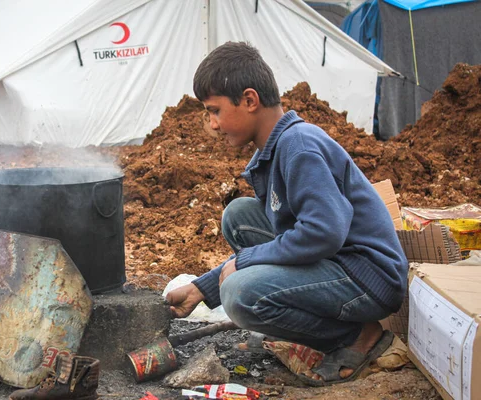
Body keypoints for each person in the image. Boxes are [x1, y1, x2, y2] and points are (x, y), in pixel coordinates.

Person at [165, 42, 408, 386]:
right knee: (239, 216)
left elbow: (323, 233)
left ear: (249, 100)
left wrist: (244, 264)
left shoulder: (299, 146)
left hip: (367, 278)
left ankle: (354, 335)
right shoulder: (276, 150)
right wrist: (200, 289)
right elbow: (290, 238)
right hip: (338, 261)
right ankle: (324, 323)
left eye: (215, 110)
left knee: (239, 295)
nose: (213, 124)